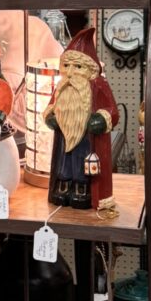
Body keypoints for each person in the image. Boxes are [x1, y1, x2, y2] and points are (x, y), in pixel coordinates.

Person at [44, 28, 119, 211]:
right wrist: (50, 117)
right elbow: (50, 106)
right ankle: (62, 187)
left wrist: (102, 118)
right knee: (64, 162)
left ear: (90, 70)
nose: (70, 72)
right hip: (64, 134)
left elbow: (112, 110)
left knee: (82, 162)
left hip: (87, 137)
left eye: (78, 67)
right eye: (66, 66)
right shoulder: (62, 85)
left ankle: (82, 189)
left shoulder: (98, 85)